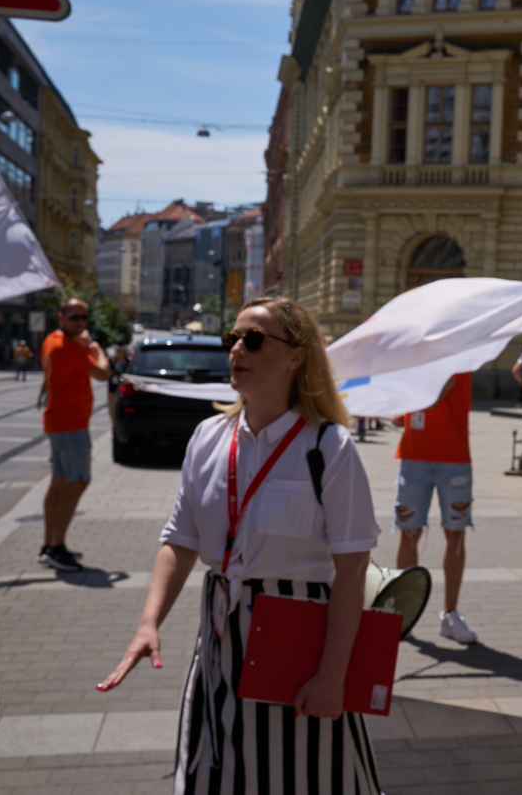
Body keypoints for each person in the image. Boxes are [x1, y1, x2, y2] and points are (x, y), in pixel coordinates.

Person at [98, 296, 383, 794]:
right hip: (220, 635)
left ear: (295, 356)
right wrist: (149, 622)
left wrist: (332, 676)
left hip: (299, 640)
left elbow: (352, 570)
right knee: (214, 769)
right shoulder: (208, 436)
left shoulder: (329, 447)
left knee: (301, 775)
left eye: (253, 339)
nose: (235, 350)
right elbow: (179, 540)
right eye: (232, 338)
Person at [392, 372, 478, 643]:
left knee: (455, 535)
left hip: (454, 460)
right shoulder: (415, 360)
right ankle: (403, 614)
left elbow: (433, 393)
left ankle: (450, 614)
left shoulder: (460, 358)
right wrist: (399, 411)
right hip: (414, 456)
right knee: (409, 533)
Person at [35, 298, 112, 572]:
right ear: (61, 317)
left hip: (59, 421)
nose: (80, 322)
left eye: (83, 317)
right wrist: (96, 349)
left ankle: (49, 545)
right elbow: (103, 373)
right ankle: (56, 547)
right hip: (71, 424)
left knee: (59, 482)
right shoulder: (69, 347)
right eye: (73, 316)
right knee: (77, 481)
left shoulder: (51, 340)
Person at [106, 345, 129, 413]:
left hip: (123, 385)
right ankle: (113, 419)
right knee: (111, 405)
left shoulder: (127, 360)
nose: (119, 353)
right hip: (113, 384)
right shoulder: (111, 360)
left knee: (123, 405)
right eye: (118, 351)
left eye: (120, 351)